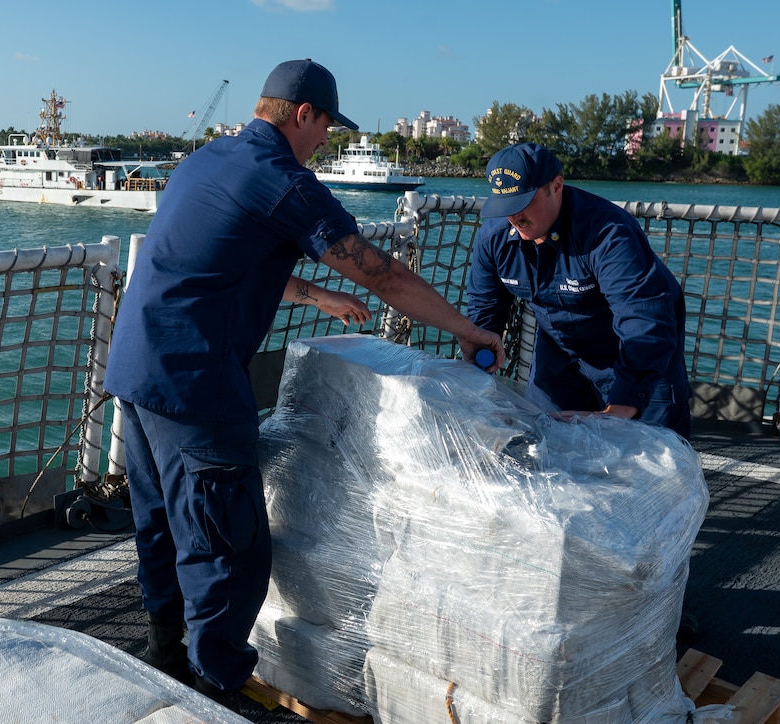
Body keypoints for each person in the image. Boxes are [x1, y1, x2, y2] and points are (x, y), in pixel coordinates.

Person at [103, 58, 504, 710]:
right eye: (327, 130)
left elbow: (224, 262)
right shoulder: (285, 182)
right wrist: (467, 330)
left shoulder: (208, 160)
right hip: (195, 384)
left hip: (137, 371)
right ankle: (218, 692)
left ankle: (167, 659)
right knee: (228, 548)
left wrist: (314, 295)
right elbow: (383, 275)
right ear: (302, 114)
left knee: (165, 528)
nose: (327, 143)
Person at [466, 142, 691, 439]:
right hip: (559, 357)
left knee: (653, 463)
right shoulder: (493, 238)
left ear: (556, 186)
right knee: (546, 447)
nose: (514, 217)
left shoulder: (608, 234)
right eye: (505, 207)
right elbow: (484, 311)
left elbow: (643, 316)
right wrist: (475, 374)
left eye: (523, 203)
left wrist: (621, 407)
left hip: (636, 357)